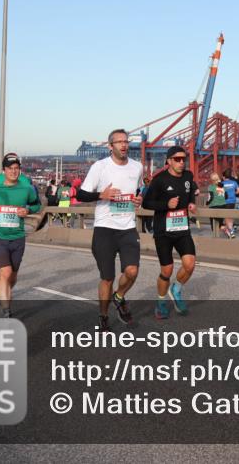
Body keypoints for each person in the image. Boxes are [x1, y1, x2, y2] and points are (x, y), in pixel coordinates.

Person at [74, 129, 144, 330]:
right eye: (119, 142)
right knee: (107, 278)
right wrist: (101, 195)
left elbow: (138, 189)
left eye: (126, 141)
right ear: (110, 146)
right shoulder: (100, 167)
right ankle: (103, 316)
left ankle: (119, 296)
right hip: (105, 228)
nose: (124, 145)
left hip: (128, 227)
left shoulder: (137, 167)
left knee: (132, 271)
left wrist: (139, 198)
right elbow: (81, 195)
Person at [141, 146, 198, 320]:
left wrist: (191, 203)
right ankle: (161, 302)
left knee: (190, 264)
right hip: (163, 232)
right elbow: (146, 203)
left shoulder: (188, 176)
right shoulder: (159, 180)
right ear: (169, 161)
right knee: (167, 270)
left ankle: (176, 289)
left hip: (182, 229)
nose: (181, 162)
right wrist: (166, 205)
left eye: (183, 159)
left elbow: (191, 191)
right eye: (177, 159)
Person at [0, 153, 42, 317]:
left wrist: (28, 210)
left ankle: (1, 289)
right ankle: (6, 312)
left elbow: (36, 204)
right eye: (10, 168)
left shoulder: (26, 188)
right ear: (4, 170)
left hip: (18, 237)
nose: (13, 171)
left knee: (13, 276)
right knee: (6, 272)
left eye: (16, 168)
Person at [221, 168, 239, 238]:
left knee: (226, 216)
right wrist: (233, 193)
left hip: (225, 201)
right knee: (231, 215)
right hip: (233, 201)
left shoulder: (222, 183)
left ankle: (231, 231)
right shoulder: (234, 182)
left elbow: (220, 194)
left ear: (224, 177)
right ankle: (231, 229)